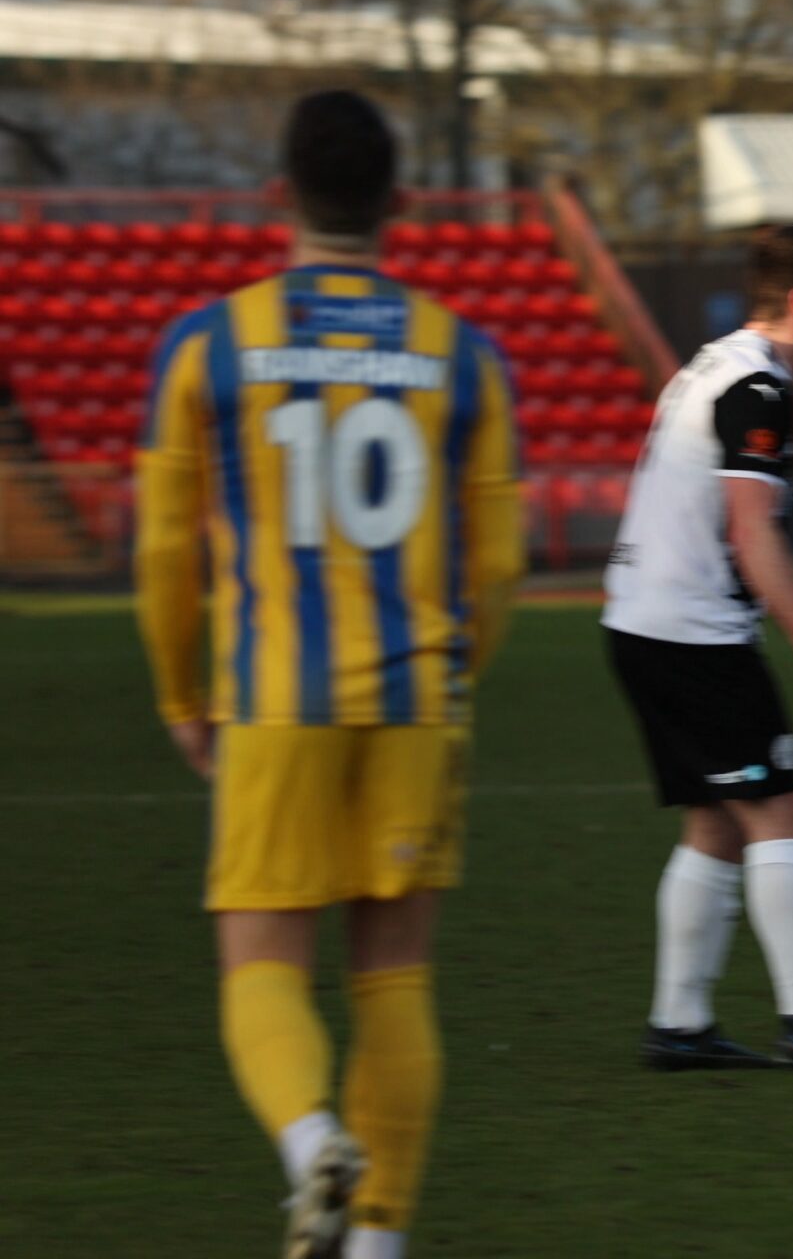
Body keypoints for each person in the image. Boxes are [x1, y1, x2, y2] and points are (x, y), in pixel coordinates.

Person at [135, 89, 525, 1259]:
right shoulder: (464, 354)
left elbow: (162, 551)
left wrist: (181, 696)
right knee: (394, 978)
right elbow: (500, 563)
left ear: (280, 197)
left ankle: (312, 1142)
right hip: (415, 703)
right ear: (400, 203)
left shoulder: (207, 345)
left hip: (273, 699)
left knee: (260, 965)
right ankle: (379, 1242)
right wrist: (454, 675)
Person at [603, 223, 793, 1071]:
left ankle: (680, 1025)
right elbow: (750, 527)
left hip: (646, 624)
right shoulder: (759, 388)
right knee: (781, 812)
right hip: (690, 634)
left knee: (717, 822)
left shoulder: (716, 365)